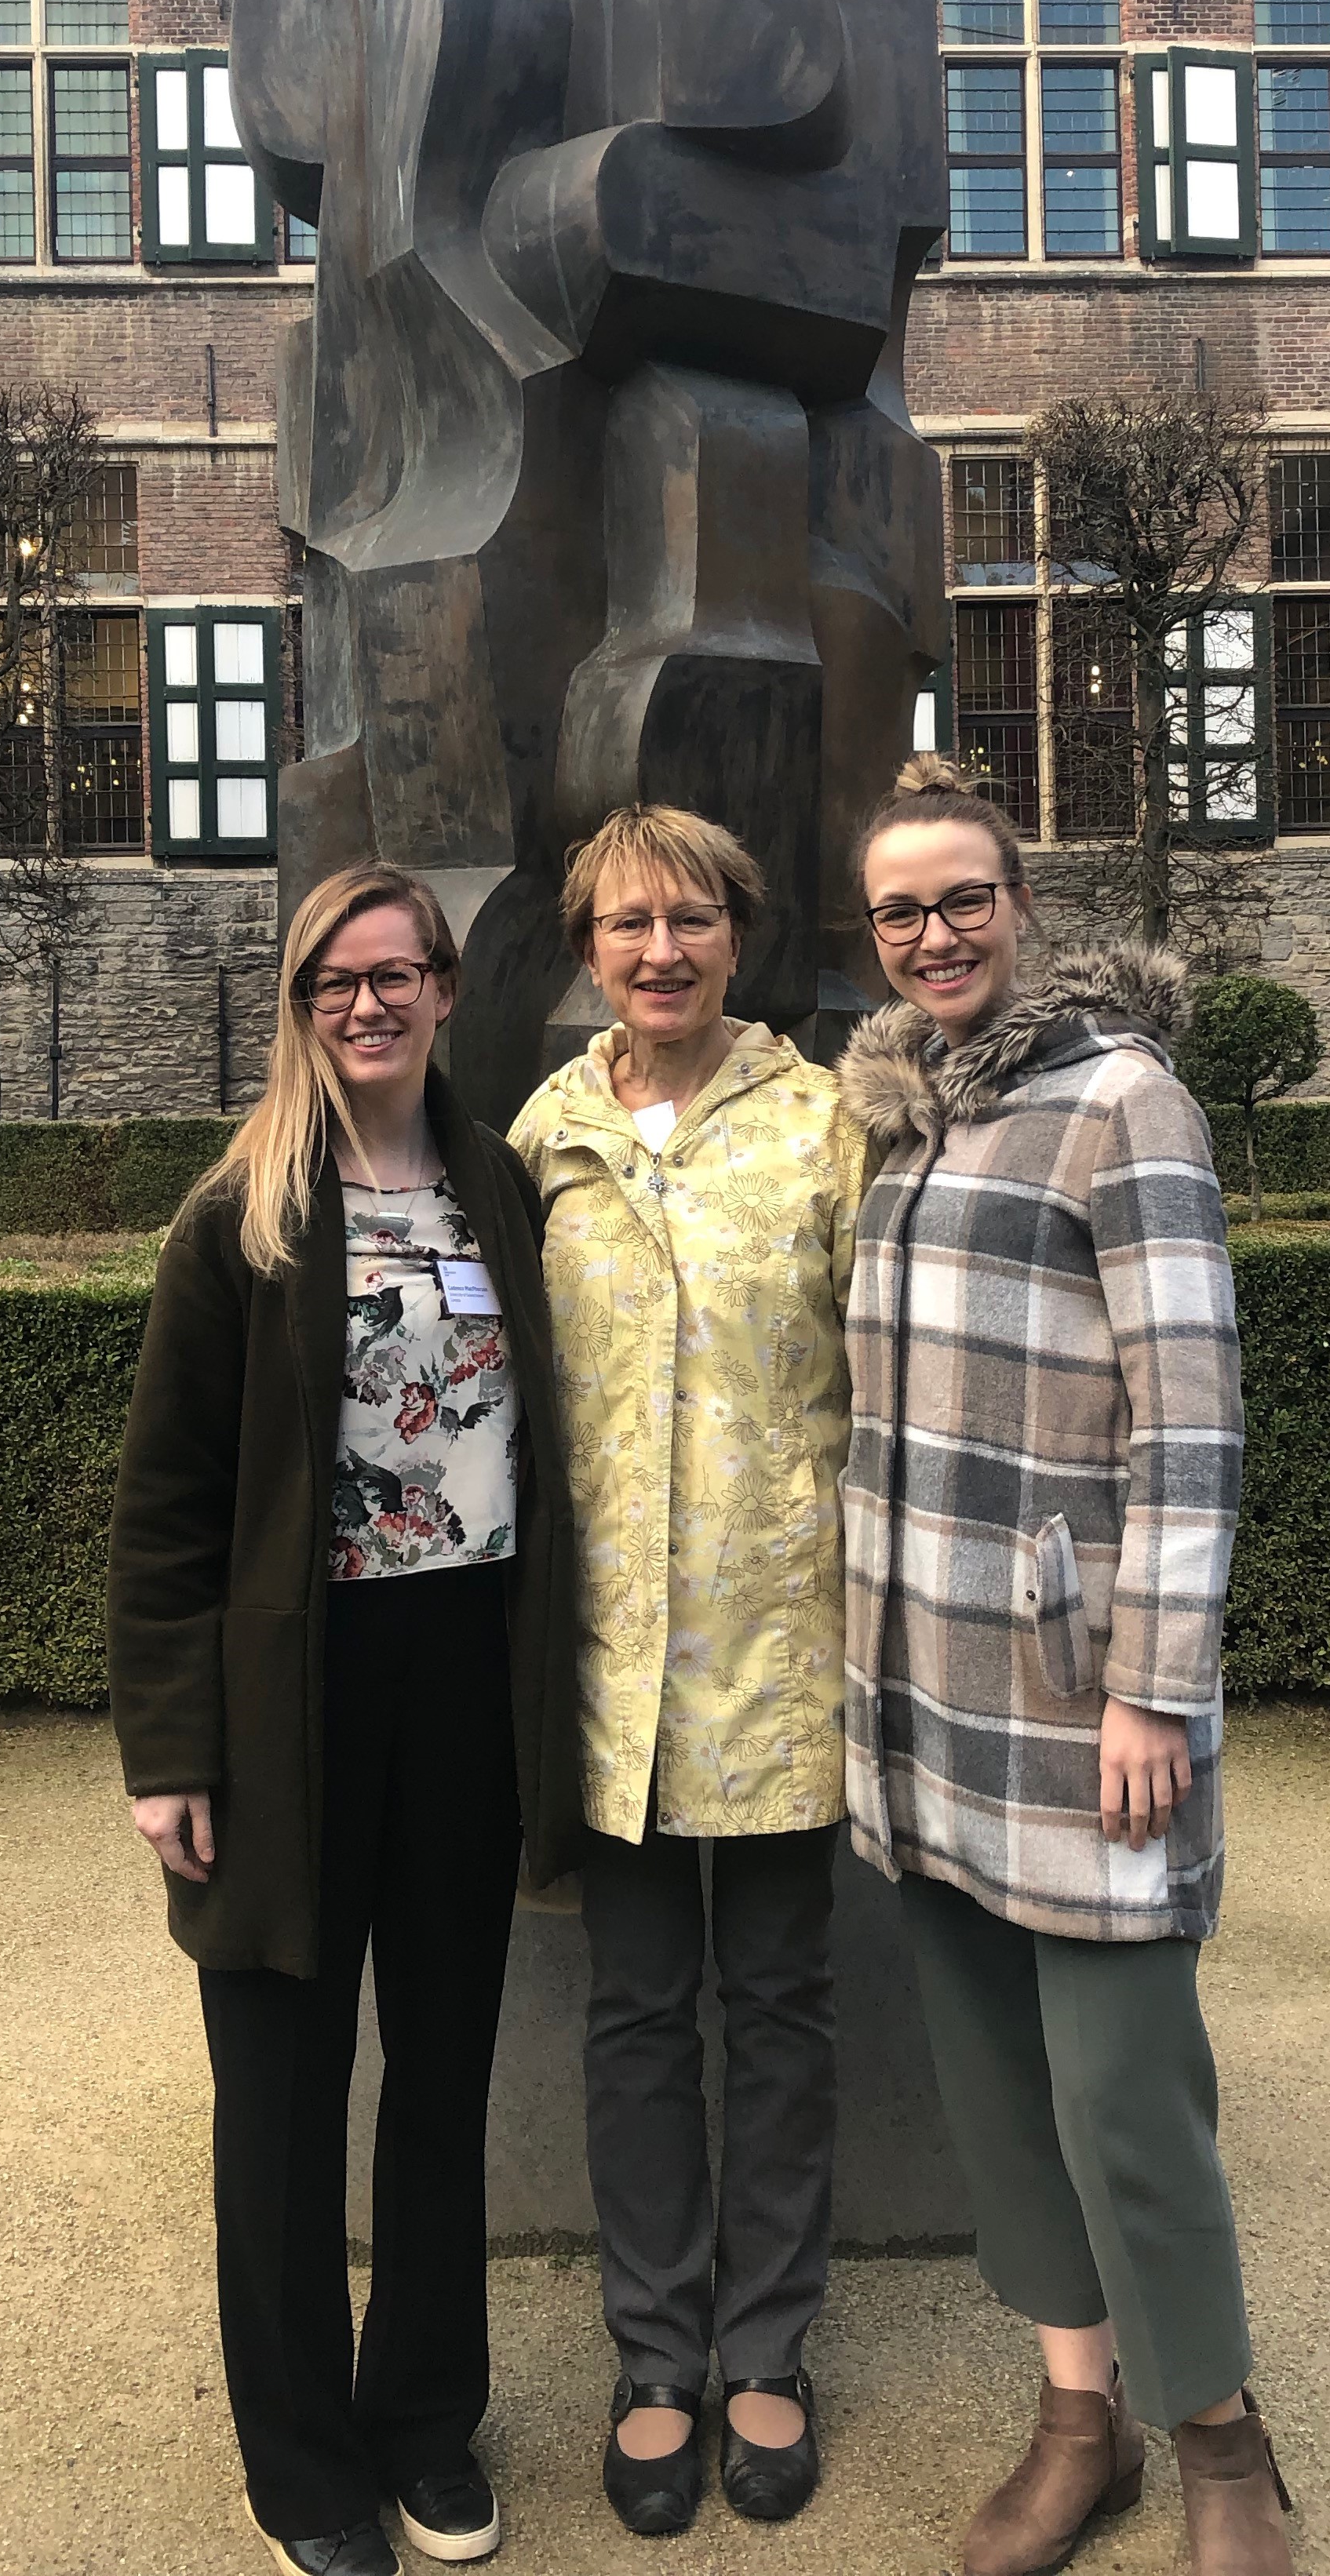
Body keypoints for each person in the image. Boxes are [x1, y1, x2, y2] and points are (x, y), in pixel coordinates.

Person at [836, 759, 1295, 2576]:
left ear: (1023, 906)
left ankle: (1223, 2446)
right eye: (899, 911)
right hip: (918, 1699)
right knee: (997, 2091)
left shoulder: (1127, 1104)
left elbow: (1192, 1427)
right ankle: (1076, 2414)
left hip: (1075, 1702)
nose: (934, 934)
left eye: (962, 899)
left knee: (1128, 2092)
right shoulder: (904, 1126)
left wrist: (1149, 1692)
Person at [107, 863, 582, 2576]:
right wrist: (169, 1754)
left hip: (464, 1681)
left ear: (447, 990)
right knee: (285, 2101)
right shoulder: (238, 1216)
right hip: (288, 1702)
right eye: (336, 979)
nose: (369, 1004)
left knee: (442, 2076)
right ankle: (303, 2461)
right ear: (302, 1003)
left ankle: (424, 2424)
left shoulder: (499, 1189)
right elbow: (165, 1512)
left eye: (398, 973)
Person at [508, 806, 865, 2539]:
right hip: (615, 1675)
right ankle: (656, 2351)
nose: (661, 950)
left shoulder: (825, 1128)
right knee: (640, 2015)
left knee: (784, 2010)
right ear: (587, 949)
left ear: (743, 932)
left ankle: (768, 2343)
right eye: (626, 924)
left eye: (692, 919)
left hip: (784, 1647)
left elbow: (889, 1377)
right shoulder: (543, 1139)